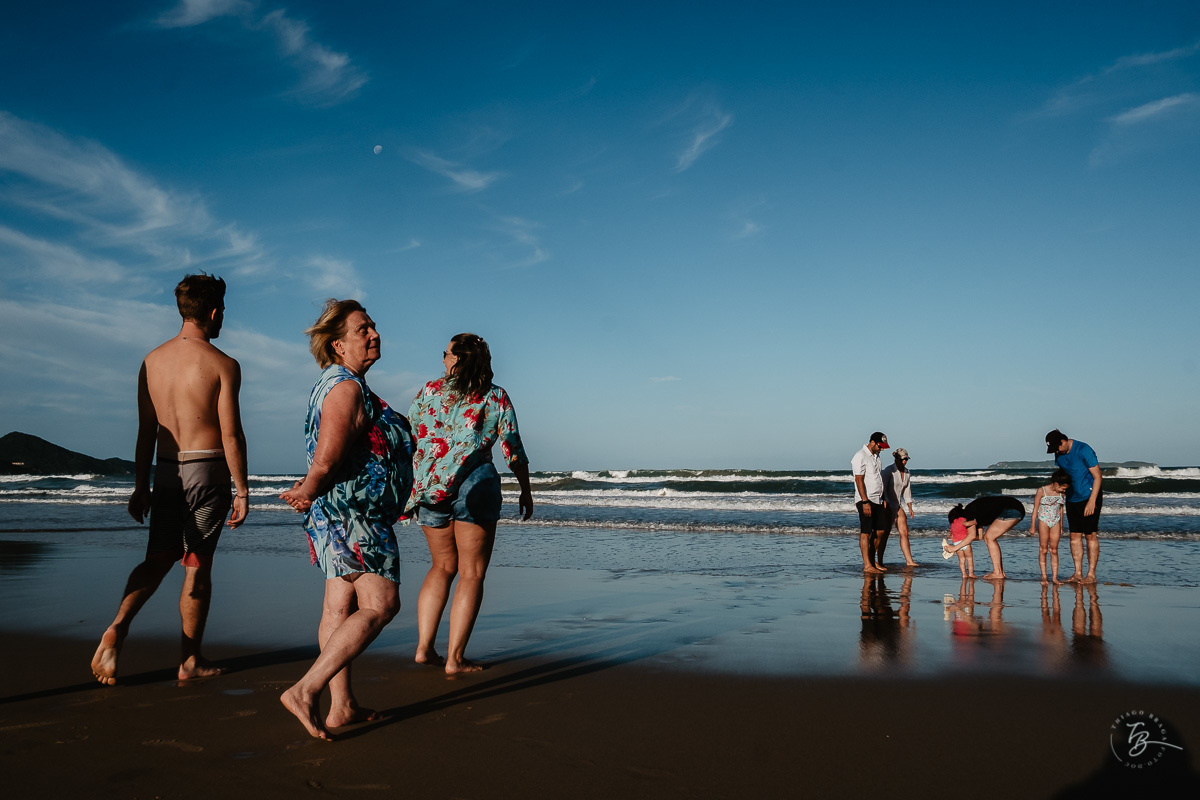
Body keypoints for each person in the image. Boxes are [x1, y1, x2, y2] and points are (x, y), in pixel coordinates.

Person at [90, 273, 249, 685]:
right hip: (208, 473)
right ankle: (189, 660)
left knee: (159, 556)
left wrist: (140, 485)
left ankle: (119, 626)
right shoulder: (223, 364)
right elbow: (231, 433)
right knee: (196, 565)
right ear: (213, 313)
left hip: (164, 472)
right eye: (222, 313)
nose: (222, 320)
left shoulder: (151, 361)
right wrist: (243, 490)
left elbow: (146, 432)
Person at [279, 300, 413, 740]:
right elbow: (328, 454)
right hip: (353, 513)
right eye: (362, 330)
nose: (373, 334)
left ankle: (343, 706)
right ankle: (306, 690)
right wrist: (309, 486)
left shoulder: (340, 382)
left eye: (373, 326)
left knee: (338, 607)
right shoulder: (346, 388)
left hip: (339, 511)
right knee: (381, 604)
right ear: (337, 344)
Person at [408, 333, 533, 675]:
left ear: (455, 359)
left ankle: (424, 648)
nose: (443, 359)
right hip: (475, 484)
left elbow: (411, 437)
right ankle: (454, 659)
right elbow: (513, 448)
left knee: (441, 567)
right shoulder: (494, 396)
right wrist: (526, 488)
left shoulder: (428, 391)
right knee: (471, 573)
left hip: (432, 488)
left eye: (445, 354)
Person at [1045, 429, 1103, 583]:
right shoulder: (1059, 454)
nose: (1056, 452)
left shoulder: (1084, 449)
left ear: (1063, 442)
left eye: (1057, 448)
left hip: (1089, 495)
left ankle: (1091, 575)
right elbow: (1064, 475)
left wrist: (1092, 501)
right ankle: (1077, 573)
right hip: (1072, 497)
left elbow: (1098, 477)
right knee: (1074, 535)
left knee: (1090, 534)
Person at [940, 496, 1026, 580]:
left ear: (959, 519)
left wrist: (954, 548)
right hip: (1016, 507)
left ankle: (998, 573)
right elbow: (979, 537)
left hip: (1011, 509)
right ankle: (1000, 572)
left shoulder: (969, 513)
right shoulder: (976, 514)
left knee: (989, 538)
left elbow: (971, 536)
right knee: (989, 537)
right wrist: (959, 538)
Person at [851, 432, 889, 573]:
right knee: (866, 532)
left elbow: (878, 479)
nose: (882, 449)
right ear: (873, 442)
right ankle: (867, 565)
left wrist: (883, 497)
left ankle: (872, 561)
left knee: (880, 531)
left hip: (878, 499)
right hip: (865, 499)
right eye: (880, 446)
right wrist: (865, 501)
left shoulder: (877, 458)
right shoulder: (860, 456)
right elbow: (859, 479)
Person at [1030, 468, 1071, 584]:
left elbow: (1061, 510)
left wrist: (1061, 526)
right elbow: (1035, 509)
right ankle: (1044, 576)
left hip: (1055, 521)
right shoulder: (1042, 491)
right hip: (1043, 520)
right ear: (1056, 484)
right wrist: (1033, 525)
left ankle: (1054, 577)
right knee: (1043, 549)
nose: (1064, 490)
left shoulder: (1061, 494)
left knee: (1054, 550)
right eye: (1063, 488)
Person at [880, 447, 918, 567]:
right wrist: (884, 500)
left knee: (904, 532)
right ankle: (879, 561)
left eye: (906, 459)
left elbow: (907, 491)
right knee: (885, 534)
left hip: (897, 505)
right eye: (902, 459)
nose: (904, 461)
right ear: (896, 458)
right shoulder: (888, 471)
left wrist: (910, 507)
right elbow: (882, 488)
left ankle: (909, 561)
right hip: (887, 504)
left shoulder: (907, 472)